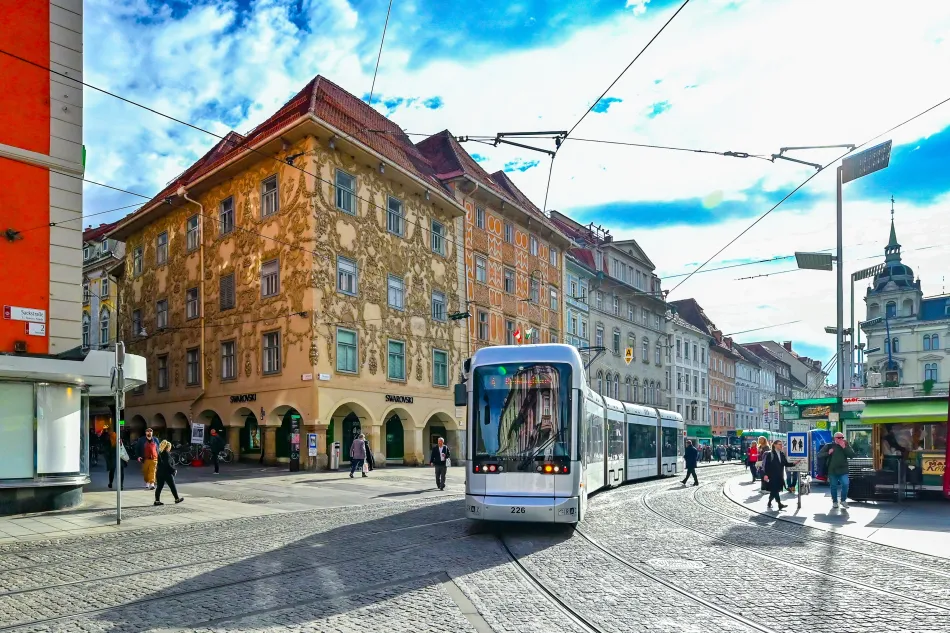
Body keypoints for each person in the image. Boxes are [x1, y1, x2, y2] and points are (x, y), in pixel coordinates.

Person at [819, 432, 855, 509]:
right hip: (832, 470)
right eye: (839, 438)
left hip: (843, 470)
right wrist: (828, 453)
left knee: (845, 484)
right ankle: (835, 501)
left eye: (842, 437)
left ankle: (843, 500)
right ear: (835, 438)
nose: (841, 439)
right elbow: (819, 454)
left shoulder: (846, 445)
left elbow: (852, 455)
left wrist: (844, 447)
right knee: (833, 486)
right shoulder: (829, 445)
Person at [762, 440, 793, 511]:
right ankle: (779, 504)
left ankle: (769, 502)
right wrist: (765, 474)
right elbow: (766, 465)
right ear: (775, 445)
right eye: (779, 444)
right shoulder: (770, 454)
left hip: (779, 475)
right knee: (775, 489)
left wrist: (794, 463)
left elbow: (786, 464)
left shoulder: (781, 454)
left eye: (781, 444)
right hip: (772, 476)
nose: (781, 446)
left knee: (774, 490)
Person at [154, 440, 184, 506]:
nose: (170, 448)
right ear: (168, 447)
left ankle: (157, 500)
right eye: (170, 447)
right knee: (172, 486)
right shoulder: (166, 454)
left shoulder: (160, 453)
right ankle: (177, 499)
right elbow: (167, 464)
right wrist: (174, 470)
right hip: (167, 473)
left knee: (159, 487)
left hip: (160, 472)